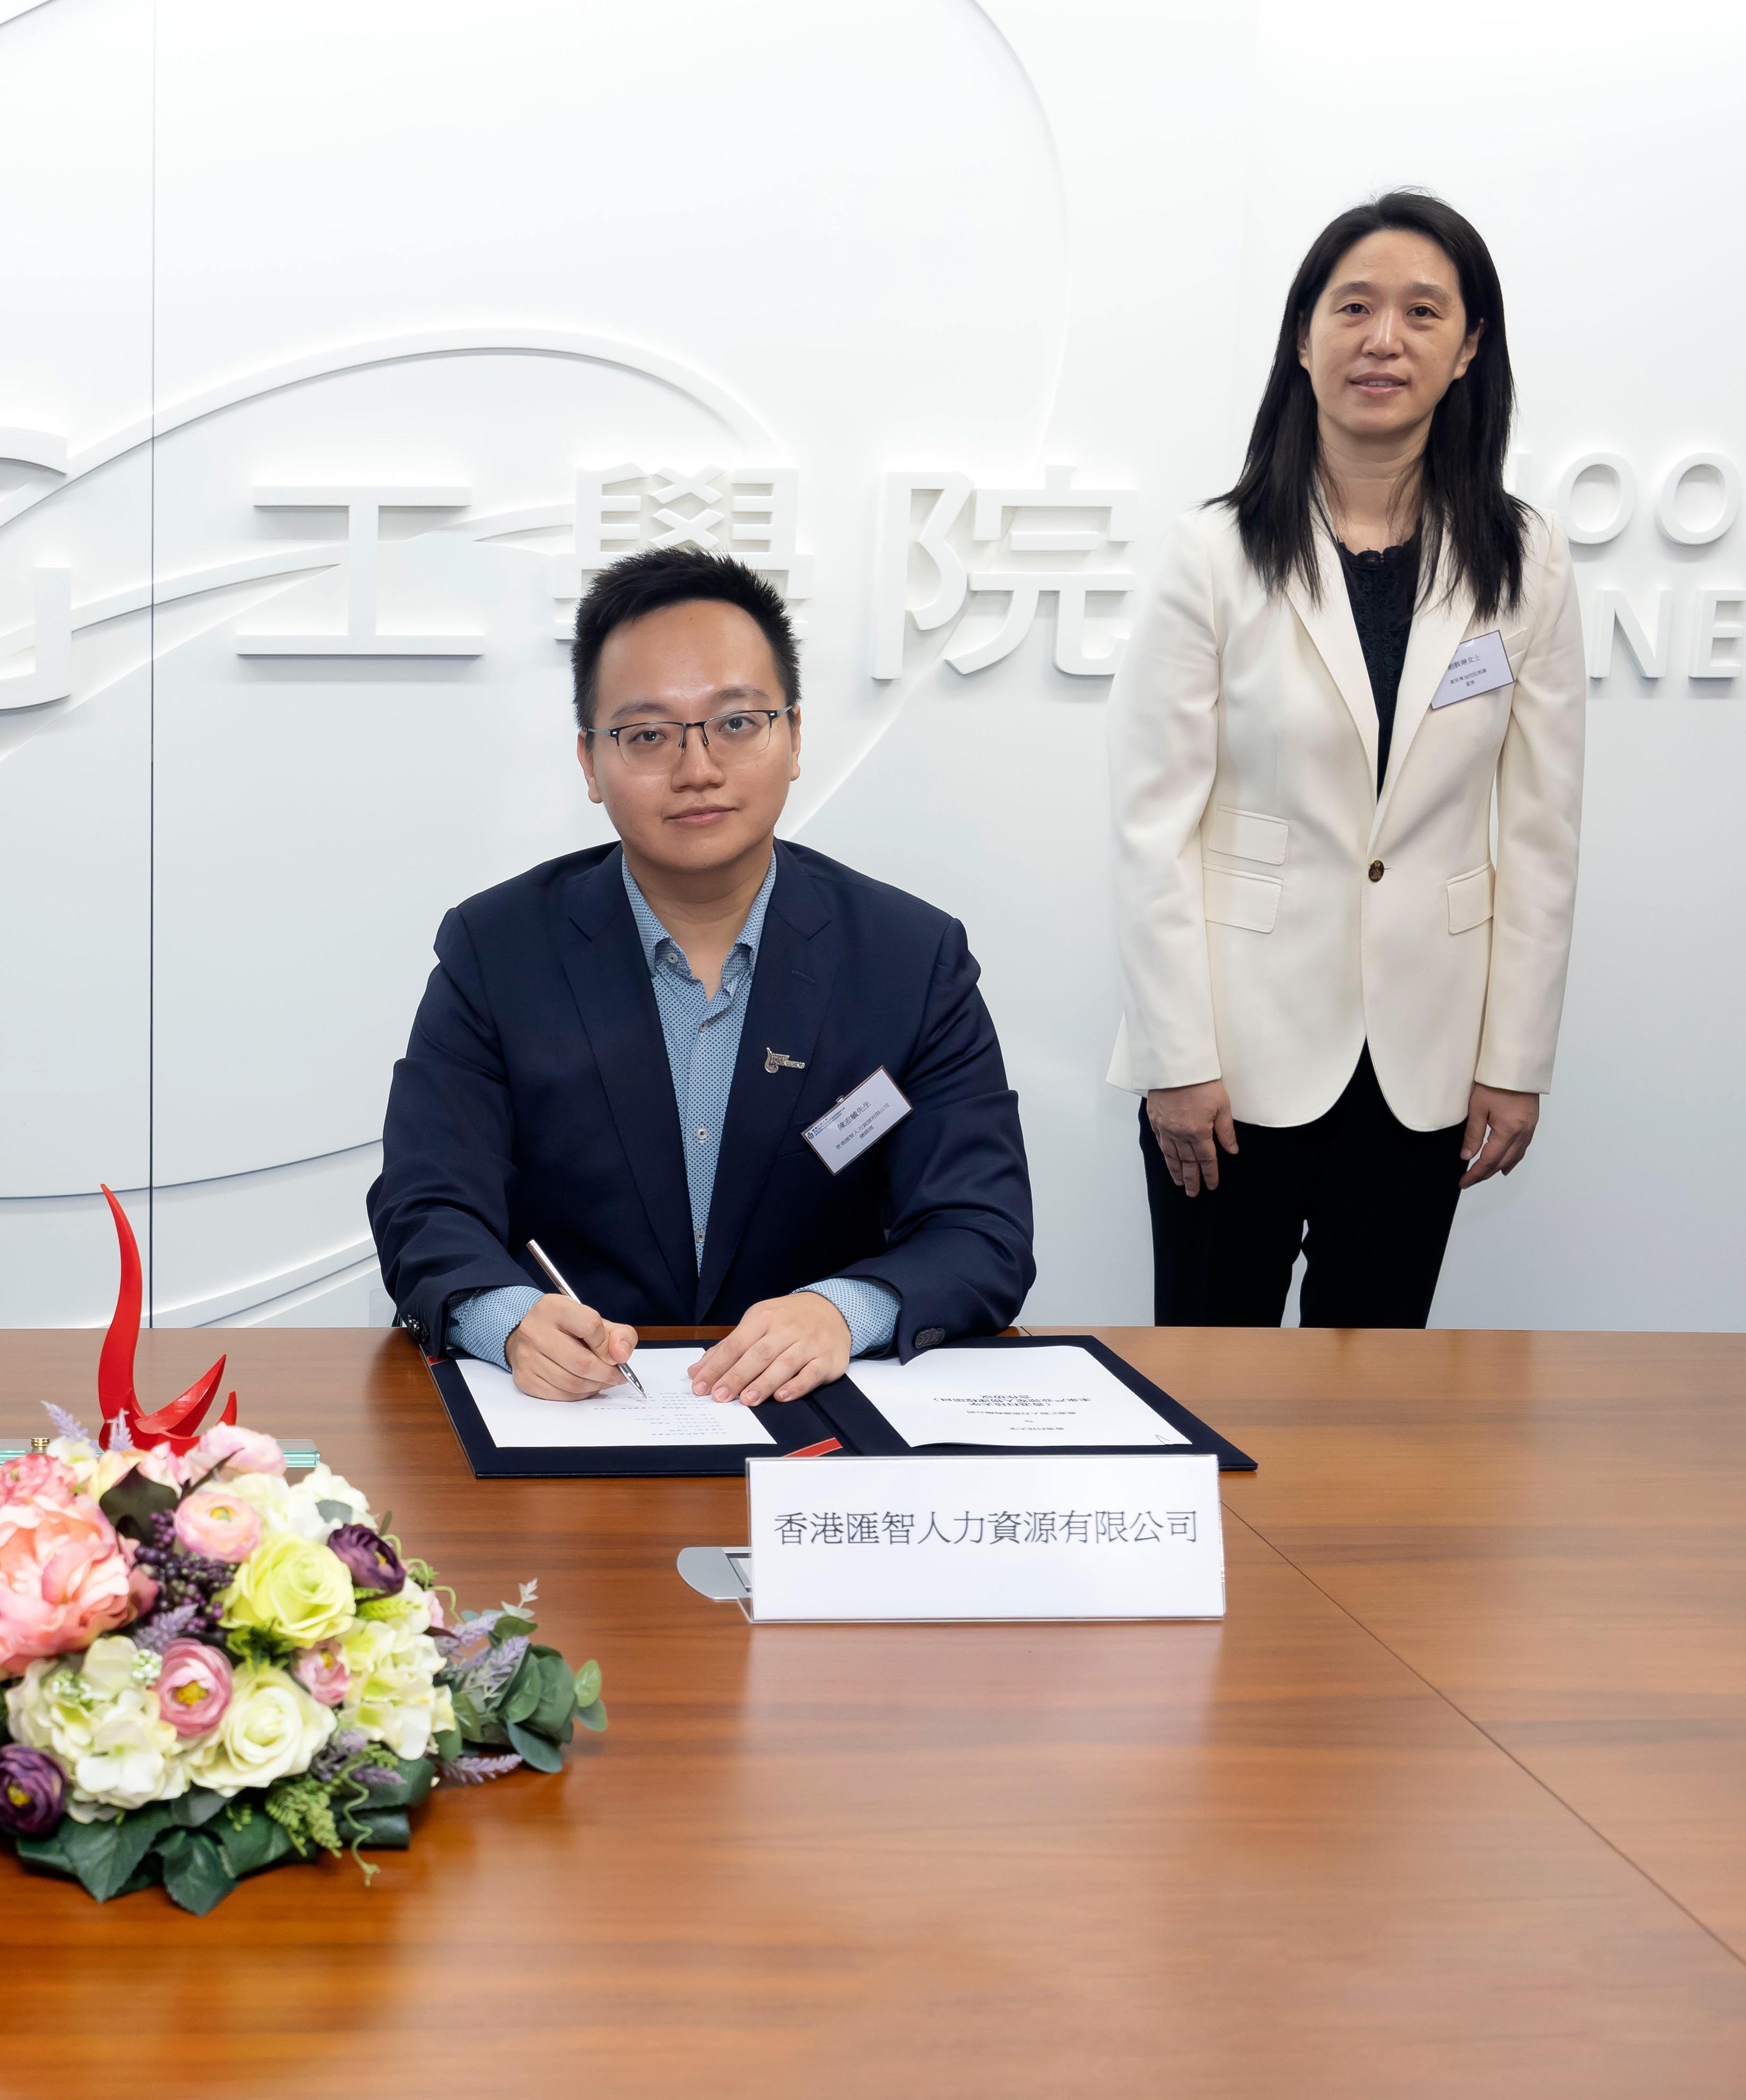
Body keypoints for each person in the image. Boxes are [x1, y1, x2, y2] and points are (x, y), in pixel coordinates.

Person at [369, 546, 1034, 1407]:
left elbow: (979, 1227)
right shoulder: (495, 950)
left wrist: (842, 1311)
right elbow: (427, 1202)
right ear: (588, 762)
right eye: (646, 734)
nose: (696, 769)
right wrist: (509, 1319)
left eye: (735, 722)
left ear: (793, 736)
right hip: (575, 1414)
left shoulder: (910, 959)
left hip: (820, 1417)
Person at [1110, 191, 1583, 1328]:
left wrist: (1514, 1059)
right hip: (1236, 1053)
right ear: (1303, 337)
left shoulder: (1527, 563)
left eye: (1425, 312)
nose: (1385, 339)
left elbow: (1543, 833)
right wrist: (1177, 1058)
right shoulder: (1212, 554)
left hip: (1427, 1056)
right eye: (1355, 307)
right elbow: (1150, 830)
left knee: (1376, 1394)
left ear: (1470, 348)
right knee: (1210, 1373)